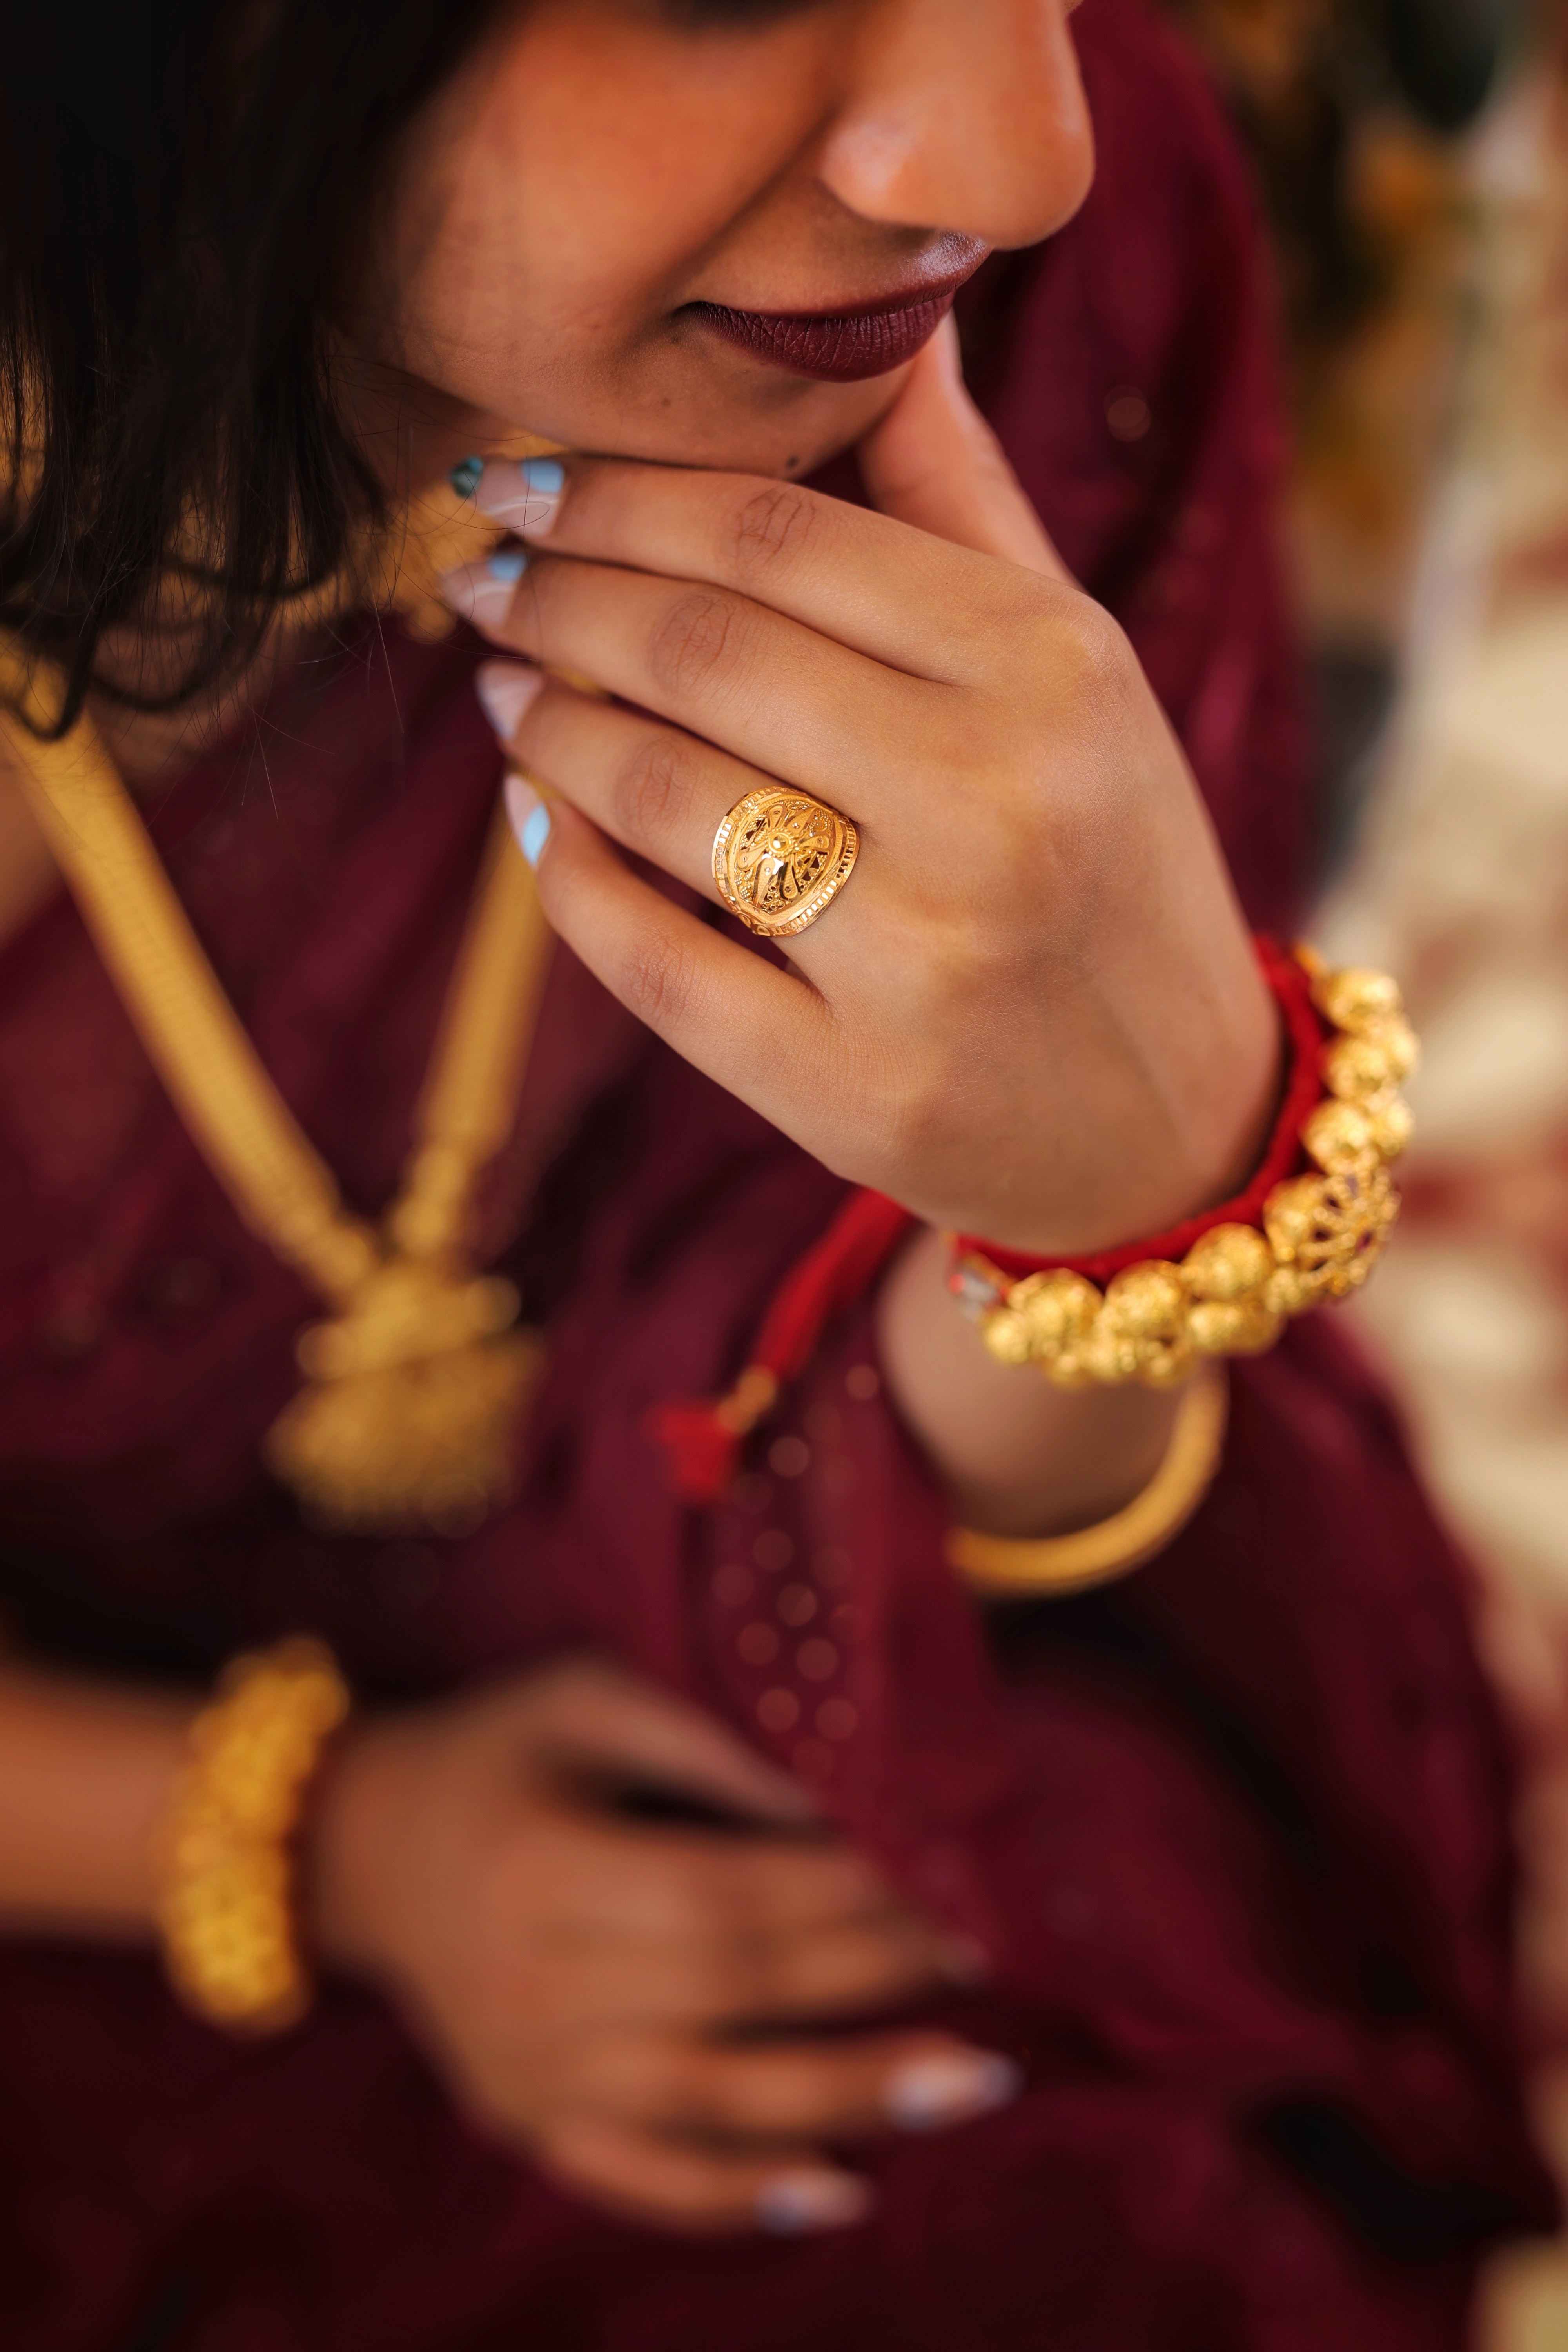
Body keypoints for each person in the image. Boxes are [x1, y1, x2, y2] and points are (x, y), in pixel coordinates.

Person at [0, 0, 1551, 2345]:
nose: (1017, 148)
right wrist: (328, 1846)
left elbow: (988, 1496)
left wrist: (1133, 1189)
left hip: (832, 1652)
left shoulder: (1039, 267)